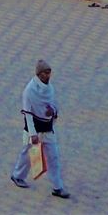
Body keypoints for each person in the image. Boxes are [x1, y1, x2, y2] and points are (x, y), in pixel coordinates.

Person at [11, 59, 69, 199]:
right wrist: (33, 134)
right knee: (27, 155)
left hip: (47, 129)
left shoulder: (50, 89)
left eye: (49, 72)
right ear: (39, 74)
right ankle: (17, 175)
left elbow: (54, 105)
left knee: (53, 157)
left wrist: (53, 111)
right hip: (34, 130)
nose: (48, 76)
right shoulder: (29, 91)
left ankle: (57, 187)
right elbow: (28, 114)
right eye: (45, 73)